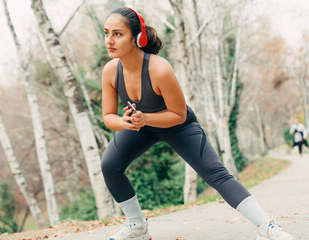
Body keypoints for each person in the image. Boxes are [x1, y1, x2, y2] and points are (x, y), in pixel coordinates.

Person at [101, 7, 294, 240]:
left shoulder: (159, 69)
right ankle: (137, 226)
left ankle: (268, 227)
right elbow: (108, 116)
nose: (109, 41)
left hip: (178, 126)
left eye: (117, 34)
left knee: (217, 174)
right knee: (110, 164)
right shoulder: (111, 71)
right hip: (140, 126)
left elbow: (178, 114)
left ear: (137, 38)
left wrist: (146, 118)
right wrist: (124, 122)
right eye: (106, 33)